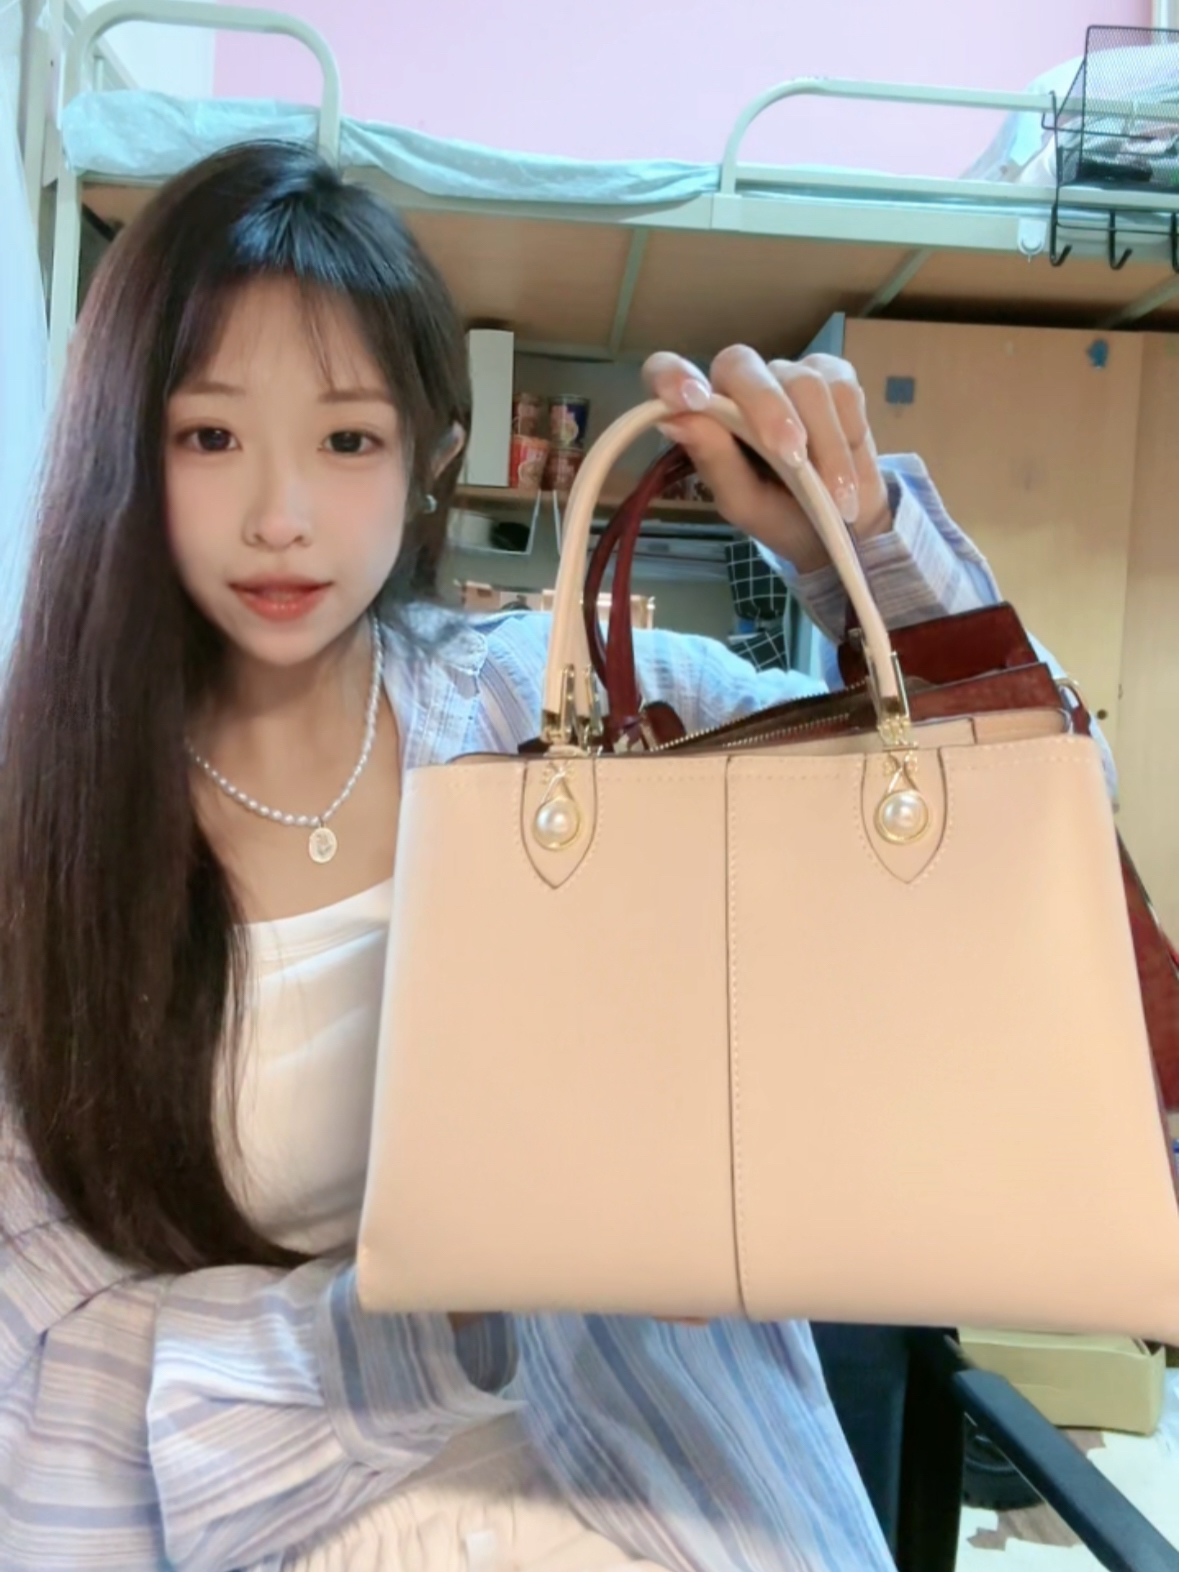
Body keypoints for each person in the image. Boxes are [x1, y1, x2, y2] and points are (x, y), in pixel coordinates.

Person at [0, 140, 1068, 1572]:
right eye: (209, 436)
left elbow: (1022, 819)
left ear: (431, 461)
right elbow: (44, 1358)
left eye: (347, 440)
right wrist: (461, 1305)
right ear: (123, 451)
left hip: (676, 1497)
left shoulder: (556, 710)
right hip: (276, 1521)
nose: (280, 515)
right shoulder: (46, 831)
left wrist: (858, 548)